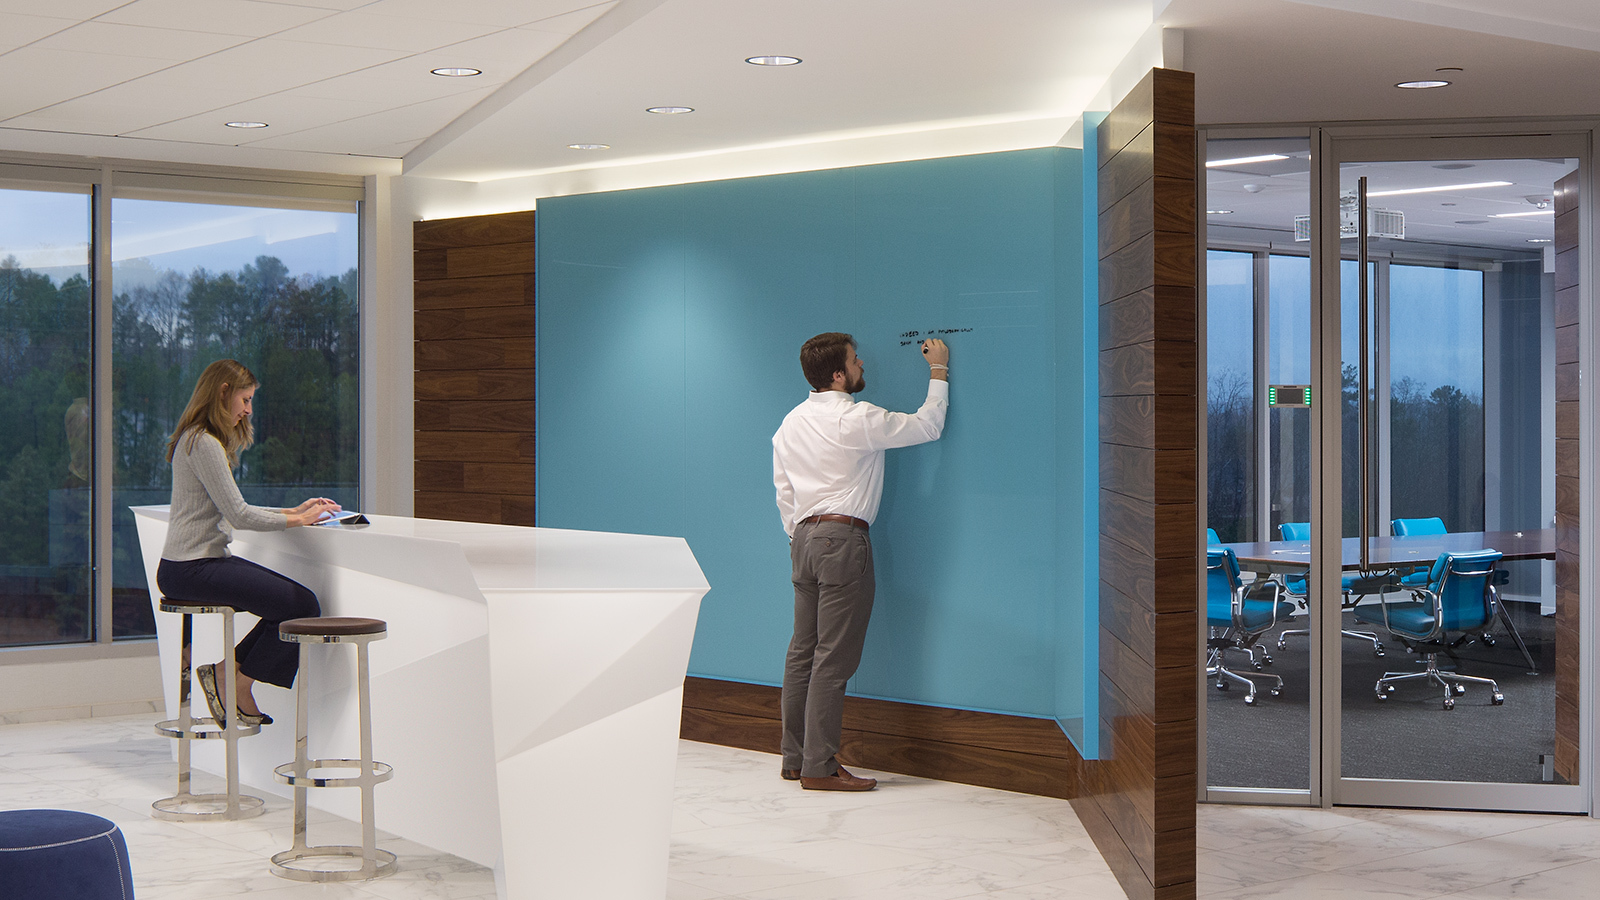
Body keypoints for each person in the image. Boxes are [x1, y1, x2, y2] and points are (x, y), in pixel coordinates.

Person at [772, 332, 950, 791]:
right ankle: (820, 768)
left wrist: (798, 536)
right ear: (838, 375)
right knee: (833, 658)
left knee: (802, 652)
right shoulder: (857, 418)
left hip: (802, 540)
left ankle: (794, 759)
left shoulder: (789, 423)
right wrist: (939, 369)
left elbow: (784, 491)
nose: (862, 364)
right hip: (842, 539)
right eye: (855, 360)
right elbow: (928, 425)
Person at [155, 359, 341, 727]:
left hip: (192, 566)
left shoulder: (196, 438)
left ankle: (228, 675)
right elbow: (239, 516)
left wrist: (293, 510)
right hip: (192, 569)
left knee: (297, 606)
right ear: (223, 392)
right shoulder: (203, 442)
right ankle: (234, 680)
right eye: (245, 399)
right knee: (301, 606)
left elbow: (232, 506)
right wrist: (299, 520)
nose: (248, 410)